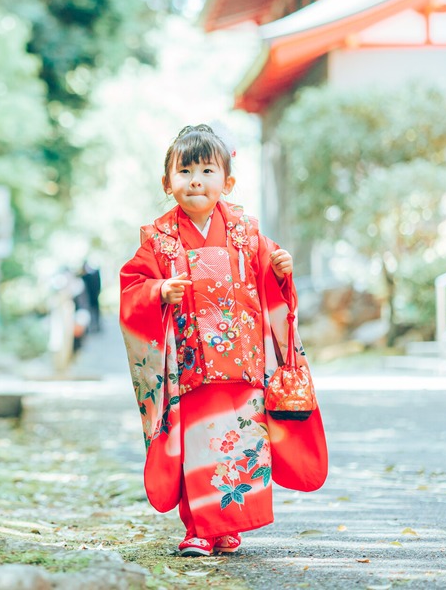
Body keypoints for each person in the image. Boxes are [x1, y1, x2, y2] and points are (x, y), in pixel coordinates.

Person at [118, 124, 323, 557]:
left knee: (241, 440)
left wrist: (281, 271)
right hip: (189, 365)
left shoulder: (247, 232)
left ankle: (227, 527)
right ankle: (198, 528)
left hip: (243, 364)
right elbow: (133, 287)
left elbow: (271, 285)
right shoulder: (158, 240)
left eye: (207, 171)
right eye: (185, 171)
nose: (196, 180)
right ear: (167, 183)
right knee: (197, 446)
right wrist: (159, 290)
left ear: (227, 182)